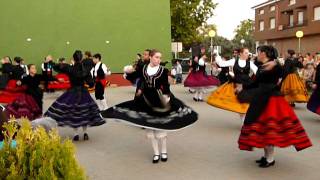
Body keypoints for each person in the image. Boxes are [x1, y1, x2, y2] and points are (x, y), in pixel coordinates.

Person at [101, 49, 198, 163]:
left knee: (162, 128)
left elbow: (165, 86)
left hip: (159, 99)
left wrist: (166, 97)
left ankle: (164, 151)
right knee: (150, 129)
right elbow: (135, 77)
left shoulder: (163, 70)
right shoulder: (143, 68)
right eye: (157, 57)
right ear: (151, 57)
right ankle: (156, 153)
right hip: (145, 100)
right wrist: (129, 71)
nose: (159, 59)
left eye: (160, 57)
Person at [237, 45, 312, 168]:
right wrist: (242, 87)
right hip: (261, 99)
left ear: (265, 53)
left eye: (259, 52)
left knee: (268, 131)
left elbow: (287, 71)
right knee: (262, 131)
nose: (257, 54)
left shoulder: (275, 66)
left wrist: (276, 62)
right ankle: (267, 157)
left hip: (272, 101)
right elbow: (255, 83)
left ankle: (270, 159)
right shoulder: (261, 66)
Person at [45, 50, 106, 141]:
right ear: (81, 58)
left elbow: (57, 66)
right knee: (84, 112)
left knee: (74, 113)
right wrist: (89, 83)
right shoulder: (85, 70)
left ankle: (76, 134)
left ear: (73, 58)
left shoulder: (69, 68)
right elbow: (91, 84)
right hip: (83, 92)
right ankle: (85, 133)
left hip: (72, 92)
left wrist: (50, 61)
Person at [207, 48, 258, 121]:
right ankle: (245, 123)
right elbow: (221, 64)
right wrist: (217, 55)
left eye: (248, 53)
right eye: (246, 53)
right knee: (239, 105)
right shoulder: (234, 61)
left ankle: (245, 123)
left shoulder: (250, 63)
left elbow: (258, 72)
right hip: (235, 85)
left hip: (246, 85)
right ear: (240, 53)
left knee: (246, 105)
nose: (248, 54)